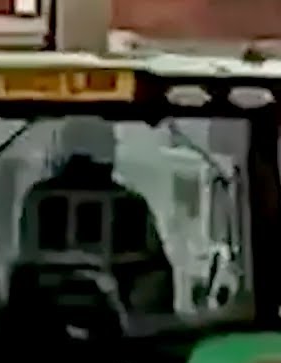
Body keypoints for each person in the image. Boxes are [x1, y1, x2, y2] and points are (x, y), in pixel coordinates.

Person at [19, 117, 175, 315]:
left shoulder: (39, 199)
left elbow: (27, 258)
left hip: (46, 317)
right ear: (108, 150)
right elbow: (158, 274)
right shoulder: (131, 204)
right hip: (123, 320)